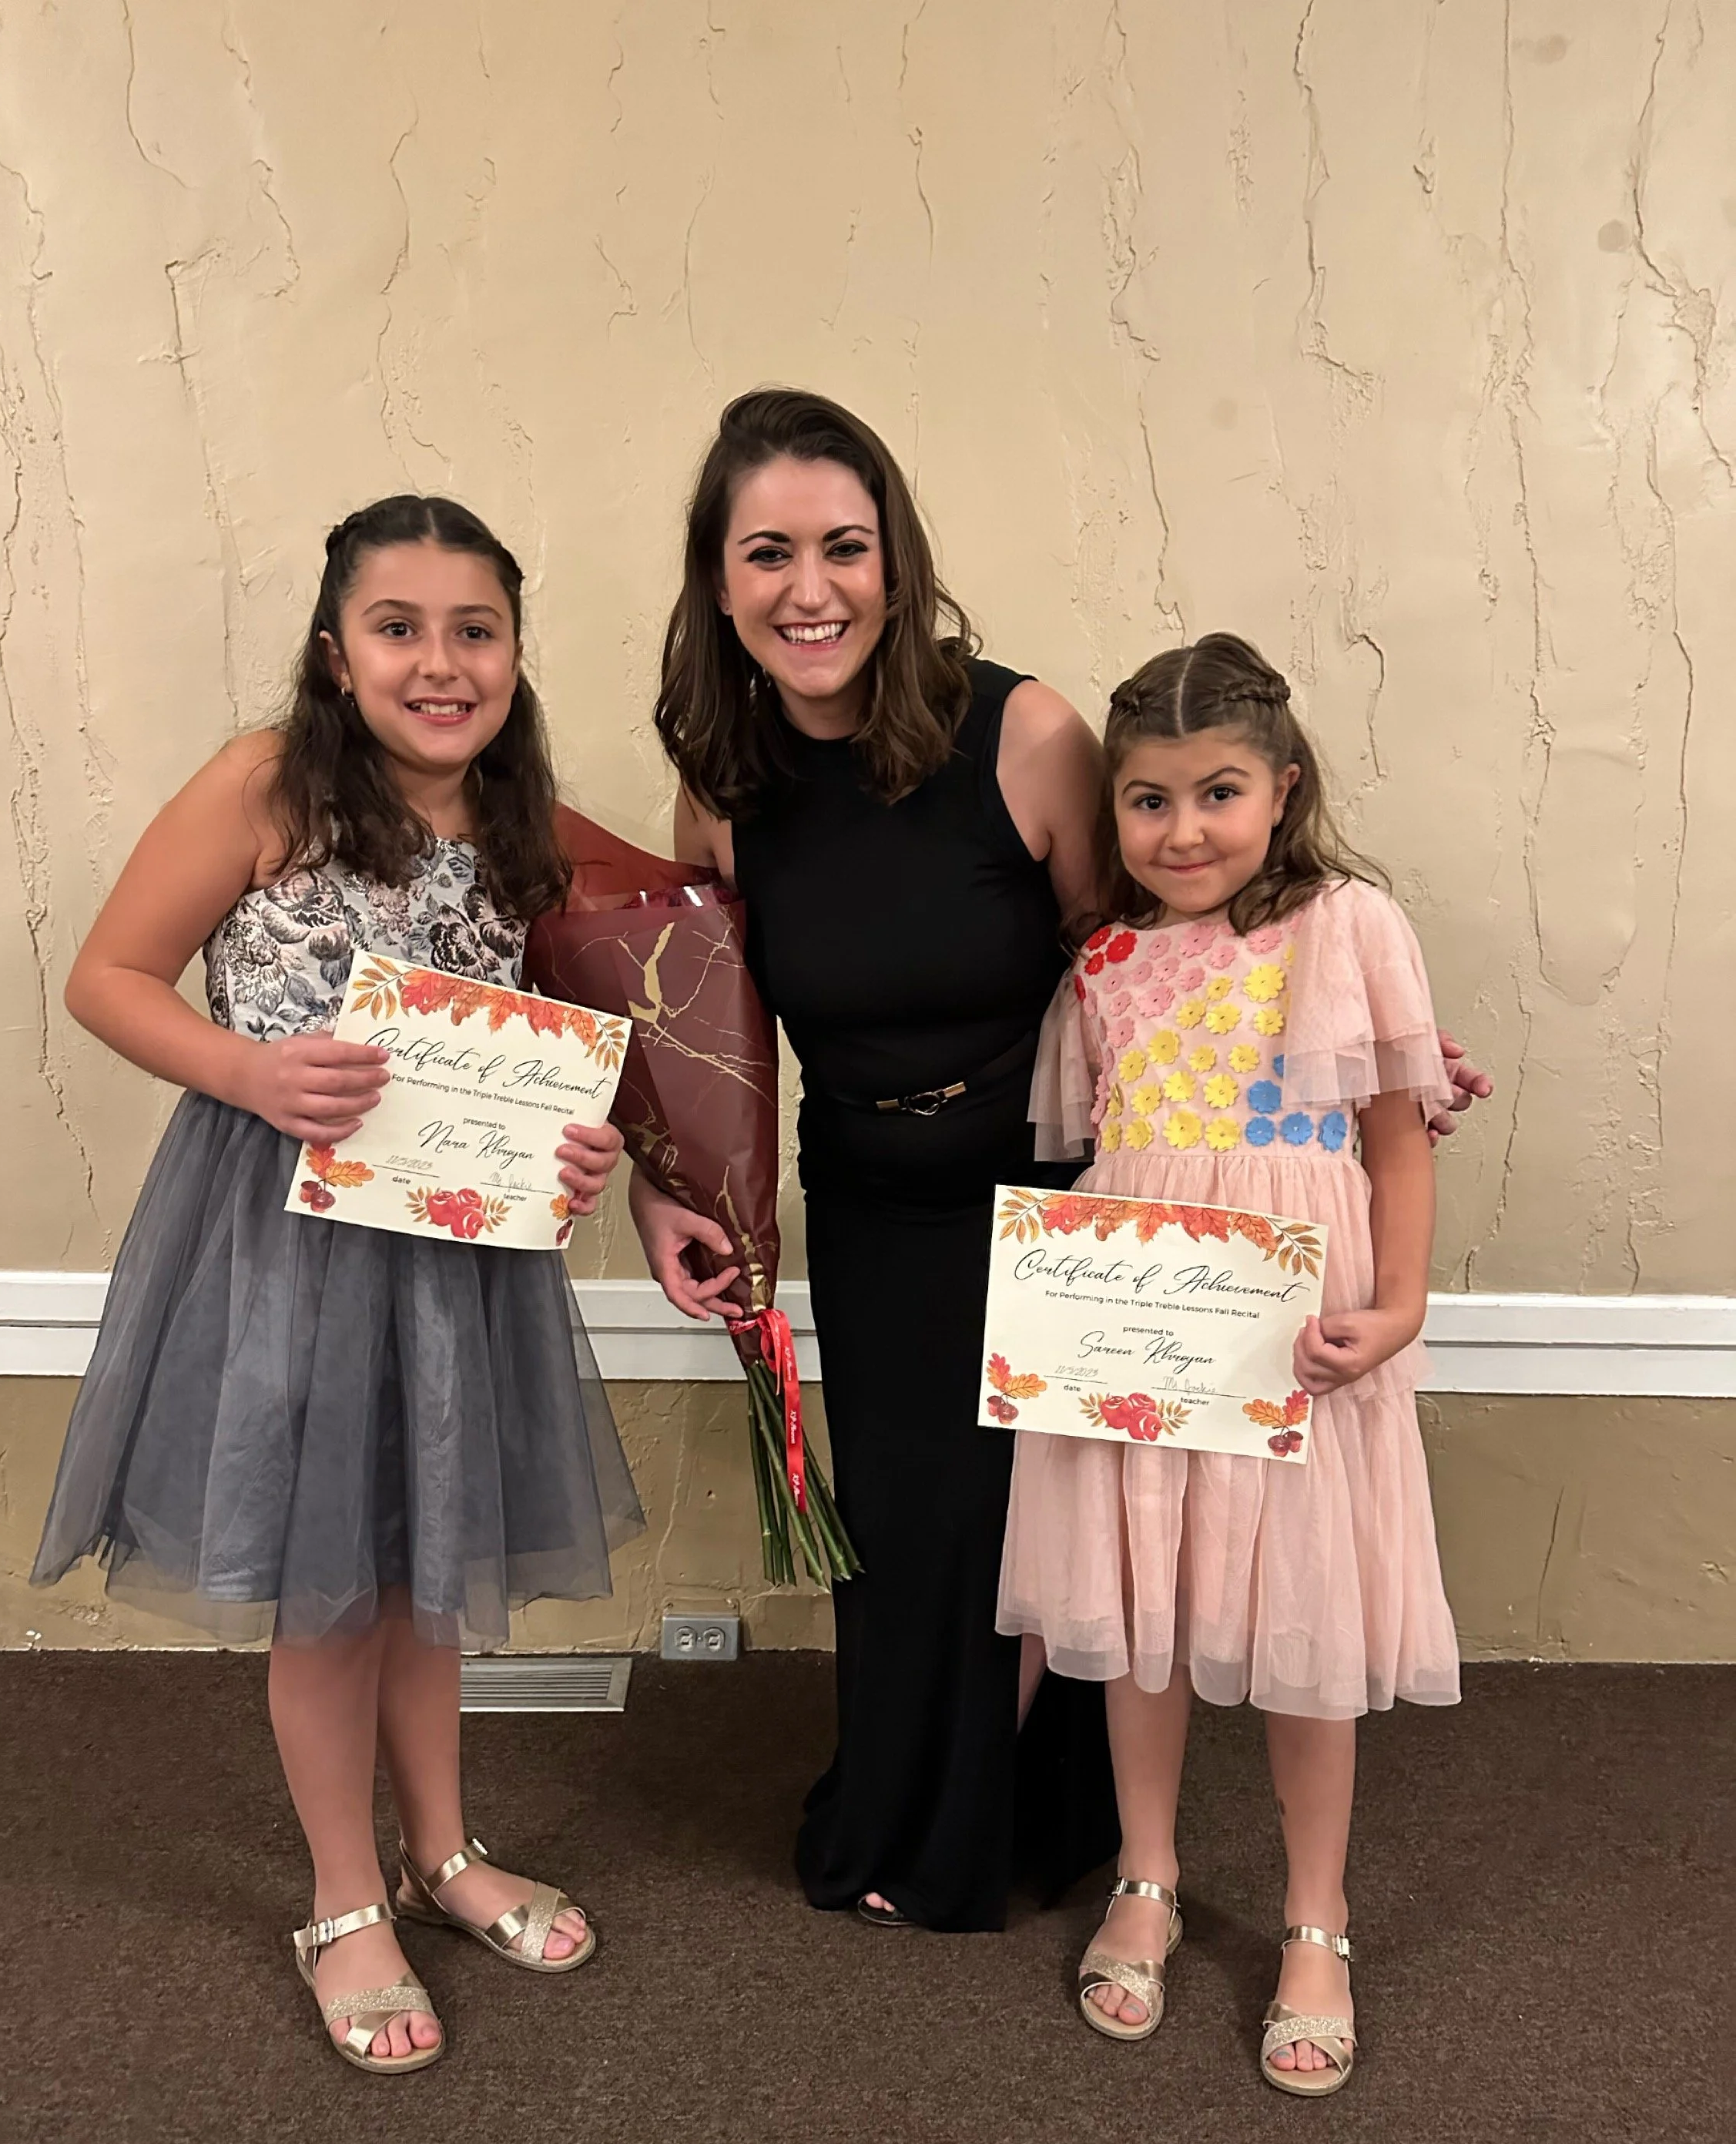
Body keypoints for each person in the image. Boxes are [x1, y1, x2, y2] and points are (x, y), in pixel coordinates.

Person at [631, 392, 1488, 1933]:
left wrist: (1370, 1057)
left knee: (1035, 1524)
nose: (809, 587)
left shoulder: (1020, 732)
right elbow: (701, 1031)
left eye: (845, 546)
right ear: (717, 577)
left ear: (897, 562)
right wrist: (662, 1181)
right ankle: (908, 1815)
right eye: (768, 553)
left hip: (1065, 1204)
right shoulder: (722, 791)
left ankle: (1047, 1829)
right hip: (873, 1203)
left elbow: (1141, 949)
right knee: (904, 1532)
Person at [32, 495, 642, 2073]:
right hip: (288, 1241)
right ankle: (340, 1895)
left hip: (455, 1256)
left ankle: (443, 1855)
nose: (440, 663)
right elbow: (105, 976)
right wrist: (244, 1067)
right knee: (329, 1581)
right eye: (399, 628)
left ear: (514, 652)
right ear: (334, 649)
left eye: (476, 631)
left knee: (426, 1562)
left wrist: (579, 1158)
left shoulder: (522, 823)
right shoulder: (265, 783)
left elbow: (545, 1051)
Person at [997, 631, 1461, 2094]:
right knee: (1148, 1597)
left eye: (1217, 793)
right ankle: (1148, 1870)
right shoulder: (1107, 962)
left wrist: (1399, 1307)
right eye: (1148, 800)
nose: (1183, 831)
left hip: (1296, 1325)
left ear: (1284, 786)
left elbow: (1396, 1135)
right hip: (1146, 1325)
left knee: (1302, 1617)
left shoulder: (1346, 926)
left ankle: (1316, 1915)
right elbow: (1095, 1154)